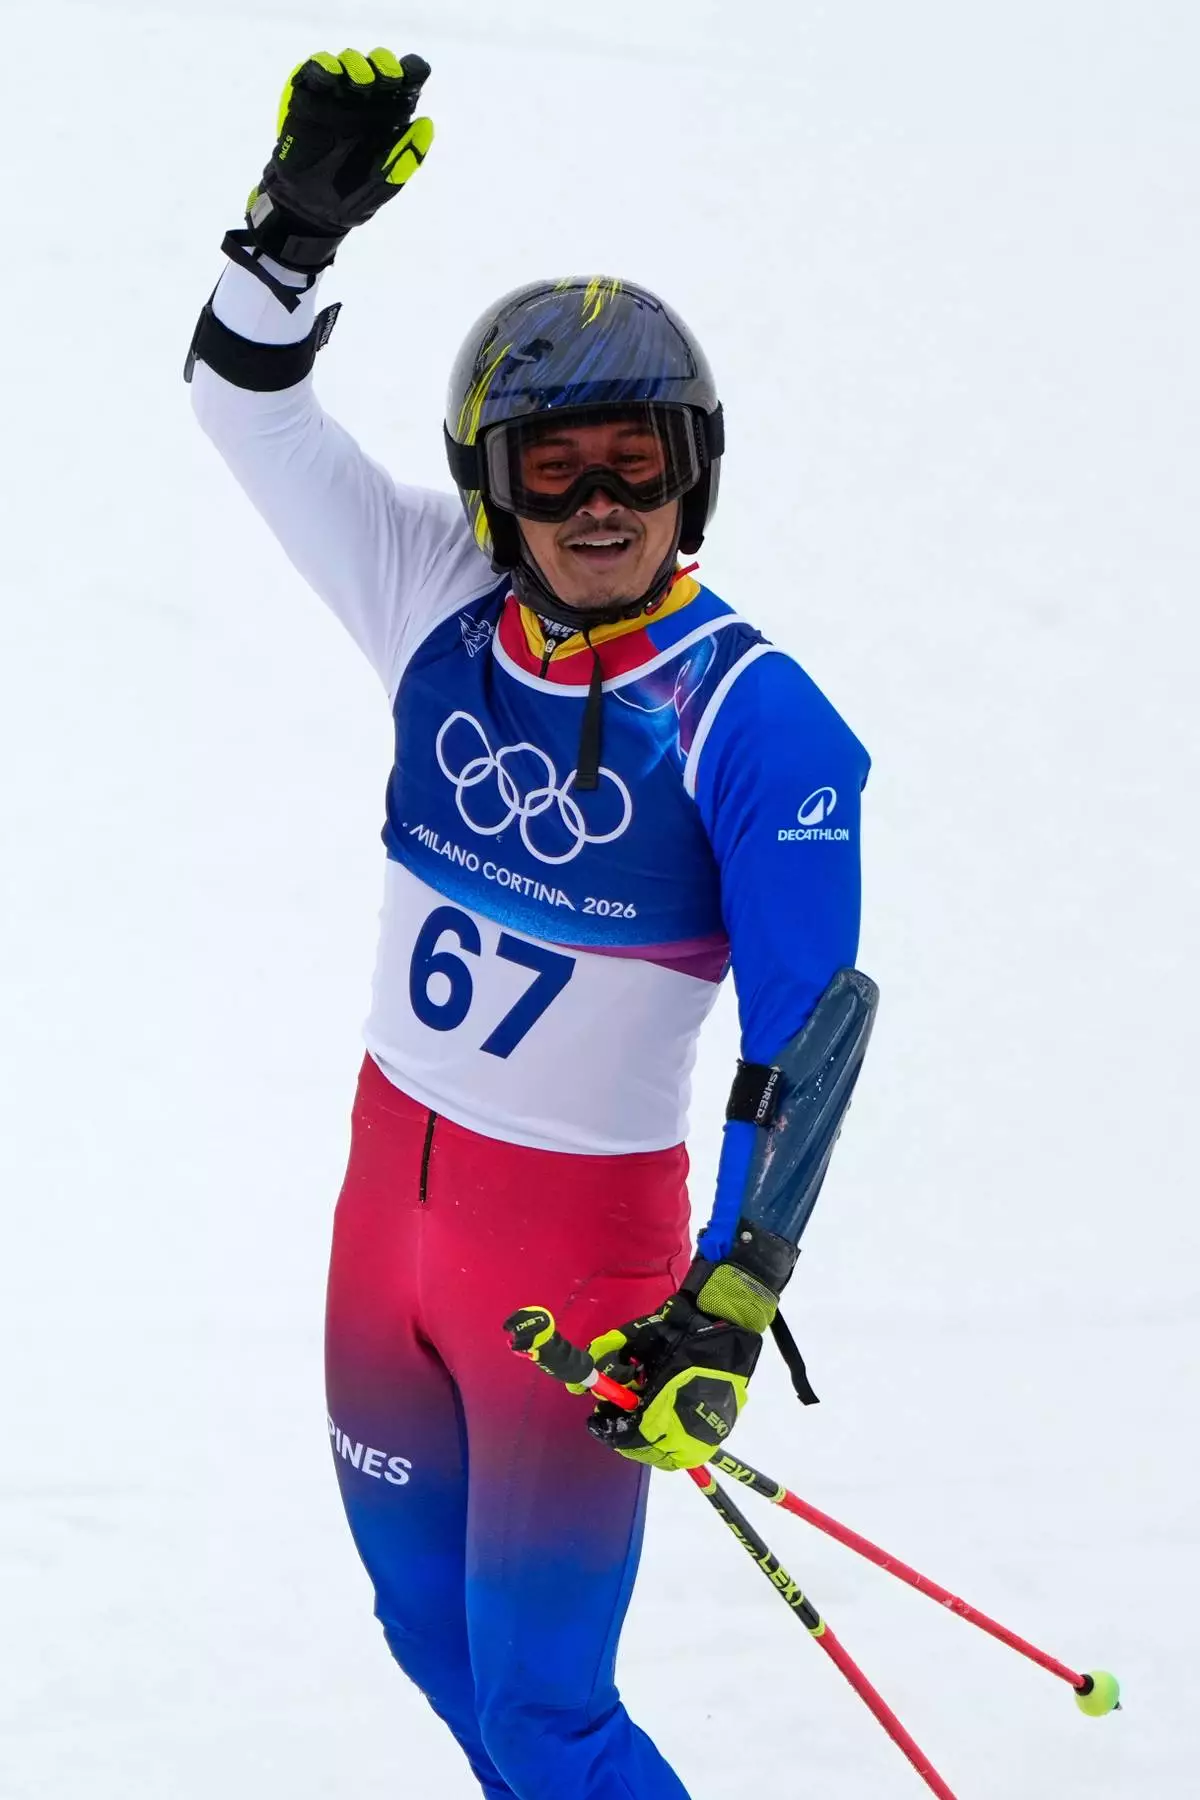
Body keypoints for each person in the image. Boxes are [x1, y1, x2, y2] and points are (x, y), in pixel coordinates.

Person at [186, 47, 874, 1800]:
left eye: (633, 462)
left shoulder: (755, 718)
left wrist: (730, 1290)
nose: (595, 504)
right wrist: (284, 242)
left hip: (577, 1272)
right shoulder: (437, 597)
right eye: (551, 466)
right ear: (493, 480)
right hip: (384, 1236)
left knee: (553, 1713)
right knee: (436, 1653)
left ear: (690, 470)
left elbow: (812, 1024)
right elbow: (247, 411)